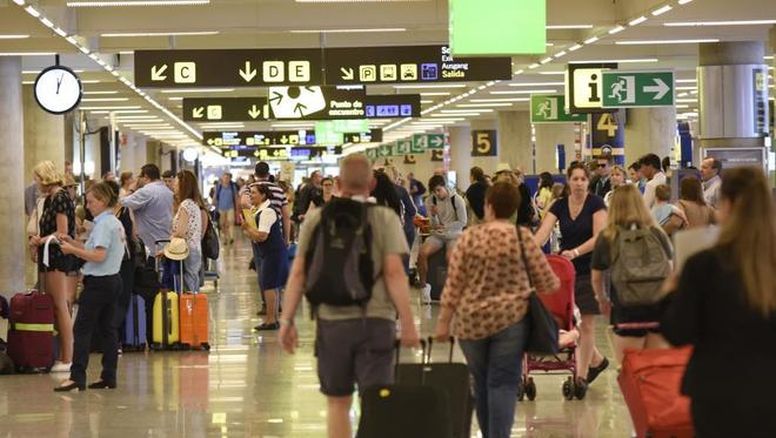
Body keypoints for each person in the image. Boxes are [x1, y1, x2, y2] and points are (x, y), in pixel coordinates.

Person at [278, 154, 420, 438]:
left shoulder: (317, 218)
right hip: (376, 321)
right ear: (372, 182)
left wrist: (287, 320)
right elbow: (394, 273)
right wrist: (408, 322)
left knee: (337, 403)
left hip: (331, 322)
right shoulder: (385, 217)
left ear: (339, 183)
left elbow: (298, 273)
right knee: (376, 401)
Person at [434, 182, 560, 438]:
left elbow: (453, 285)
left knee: (480, 385)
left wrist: (443, 323)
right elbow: (549, 282)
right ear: (514, 208)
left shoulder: (468, 238)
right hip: (510, 322)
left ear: (487, 206)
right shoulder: (521, 237)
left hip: (471, 324)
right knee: (502, 384)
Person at [661, 166, 776, 438]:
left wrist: (669, 292)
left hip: (716, 392)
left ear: (728, 204)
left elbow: (677, 332)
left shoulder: (704, 265)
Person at [534, 162, 609, 398]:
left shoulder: (596, 204)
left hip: (589, 269)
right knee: (567, 322)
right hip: (565, 272)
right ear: (568, 181)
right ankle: (596, 360)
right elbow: (542, 233)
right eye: (574, 179)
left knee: (586, 325)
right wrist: (528, 251)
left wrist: (576, 251)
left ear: (588, 182)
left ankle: (581, 377)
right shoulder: (559, 204)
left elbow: (600, 236)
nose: (578, 183)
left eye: (583, 179)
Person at [54, 182, 126, 392]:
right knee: (108, 330)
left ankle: (77, 376)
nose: (88, 205)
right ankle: (108, 376)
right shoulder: (113, 222)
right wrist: (73, 242)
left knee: (82, 329)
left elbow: (98, 255)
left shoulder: (104, 225)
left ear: (103, 201)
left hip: (99, 283)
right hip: (113, 280)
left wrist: (72, 251)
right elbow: (91, 248)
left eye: (91, 201)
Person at [591, 184, 672, 363]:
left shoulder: (608, 236)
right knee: (655, 372)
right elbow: (671, 269)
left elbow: (596, 278)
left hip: (627, 309)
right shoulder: (656, 233)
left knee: (630, 373)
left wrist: (603, 300)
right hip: (659, 309)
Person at [28, 161, 78, 373]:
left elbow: (62, 232)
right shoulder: (49, 199)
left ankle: (68, 356)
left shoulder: (60, 199)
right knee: (55, 307)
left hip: (56, 257)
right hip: (48, 256)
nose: (36, 183)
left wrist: (41, 240)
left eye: (38, 178)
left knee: (60, 306)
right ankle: (62, 354)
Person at [242, 162, 291, 315]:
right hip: (276, 234)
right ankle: (277, 303)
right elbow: (286, 216)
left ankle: (266, 304)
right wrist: (287, 237)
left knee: (262, 270)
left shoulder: (249, 188)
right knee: (275, 271)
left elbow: (243, 204)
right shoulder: (279, 190)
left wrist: (249, 227)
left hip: (258, 232)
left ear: (255, 173)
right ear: (268, 172)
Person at [418, 175, 467, 303]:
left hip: (455, 234)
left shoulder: (457, 199)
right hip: (438, 235)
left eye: (439, 190)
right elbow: (433, 225)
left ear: (445, 186)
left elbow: (463, 221)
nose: (437, 194)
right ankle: (424, 287)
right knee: (422, 253)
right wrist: (433, 216)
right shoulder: (430, 201)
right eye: (434, 191)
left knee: (450, 257)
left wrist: (446, 226)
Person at [104, 180, 136, 351]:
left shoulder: (123, 210)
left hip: (124, 260)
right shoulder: (103, 213)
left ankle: (117, 338)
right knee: (114, 298)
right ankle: (111, 338)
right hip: (109, 260)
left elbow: (133, 234)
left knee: (121, 298)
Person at [121, 164, 174, 259]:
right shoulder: (168, 191)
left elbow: (122, 202)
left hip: (151, 242)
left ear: (145, 177)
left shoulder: (146, 191)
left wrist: (131, 189)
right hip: (166, 237)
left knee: (151, 271)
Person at [171, 170, 203, 292]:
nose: (174, 186)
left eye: (176, 183)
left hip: (186, 250)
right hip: (194, 248)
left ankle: (190, 309)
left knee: (188, 284)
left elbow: (180, 232)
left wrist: (170, 239)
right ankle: (194, 308)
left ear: (183, 185)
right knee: (193, 280)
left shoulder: (185, 204)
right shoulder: (193, 203)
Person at [214, 173, 240, 246]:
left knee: (230, 222)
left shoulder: (232, 187)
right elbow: (215, 196)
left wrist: (237, 208)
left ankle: (231, 237)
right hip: (221, 208)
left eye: (227, 178)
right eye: (224, 178)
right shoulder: (219, 187)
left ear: (230, 179)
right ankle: (225, 238)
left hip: (230, 207)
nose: (226, 179)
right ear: (222, 178)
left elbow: (236, 197)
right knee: (222, 224)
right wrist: (214, 203)